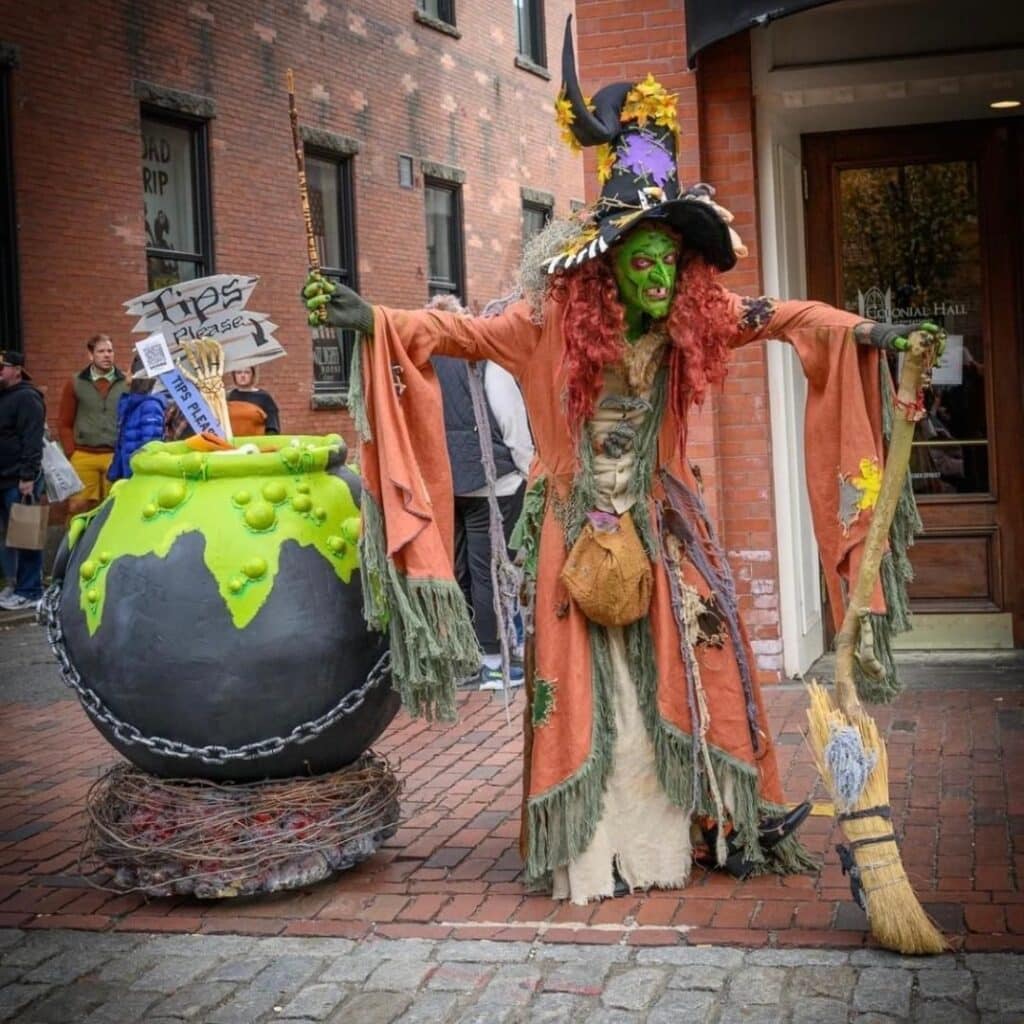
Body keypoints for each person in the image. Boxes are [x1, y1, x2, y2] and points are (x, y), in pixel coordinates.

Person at [301, 20, 943, 904]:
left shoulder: (694, 324)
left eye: (670, 264)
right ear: (606, 272)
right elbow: (448, 331)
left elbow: (790, 318)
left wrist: (873, 333)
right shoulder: (542, 327)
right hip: (574, 531)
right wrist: (368, 317)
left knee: (708, 659)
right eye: (642, 262)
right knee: (584, 685)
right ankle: (595, 846)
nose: (658, 279)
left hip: (666, 521)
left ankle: (723, 815)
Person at [427, 295, 535, 690]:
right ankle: (495, 662)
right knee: (492, 571)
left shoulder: (426, 367)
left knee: (461, 573)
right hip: (495, 484)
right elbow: (512, 424)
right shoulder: (486, 362)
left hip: (446, 483)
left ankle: (470, 657)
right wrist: (530, 474)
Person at [58, 334, 127, 513]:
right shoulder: (75, 382)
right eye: (101, 351)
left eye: (110, 351)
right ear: (91, 355)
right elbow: (64, 422)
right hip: (83, 454)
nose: (107, 355)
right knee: (77, 507)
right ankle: (75, 541)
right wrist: (70, 452)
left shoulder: (126, 382)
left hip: (114, 455)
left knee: (112, 508)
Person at [0, 350, 46, 611]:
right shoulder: (3, 397)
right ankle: (15, 584)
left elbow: (32, 439)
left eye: (2, 367)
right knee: (9, 537)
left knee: (27, 534)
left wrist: (27, 476)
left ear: (17, 369)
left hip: (19, 479)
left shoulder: (27, 397)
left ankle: (31, 590)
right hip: (2, 478)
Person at [107, 360, 168, 482]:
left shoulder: (150, 406)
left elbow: (150, 446)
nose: (126, 373)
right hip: (128, 475)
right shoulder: (132, 404)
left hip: (138, 478)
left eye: (130, 370)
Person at [226, 366, 280, 436]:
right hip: (232, 443)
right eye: (239, 372)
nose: (243, 375)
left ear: (253, 375)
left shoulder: (264, 397)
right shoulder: (228, 397)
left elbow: (272, 427)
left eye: (247, 372)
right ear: (234, 375)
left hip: (256, 443)